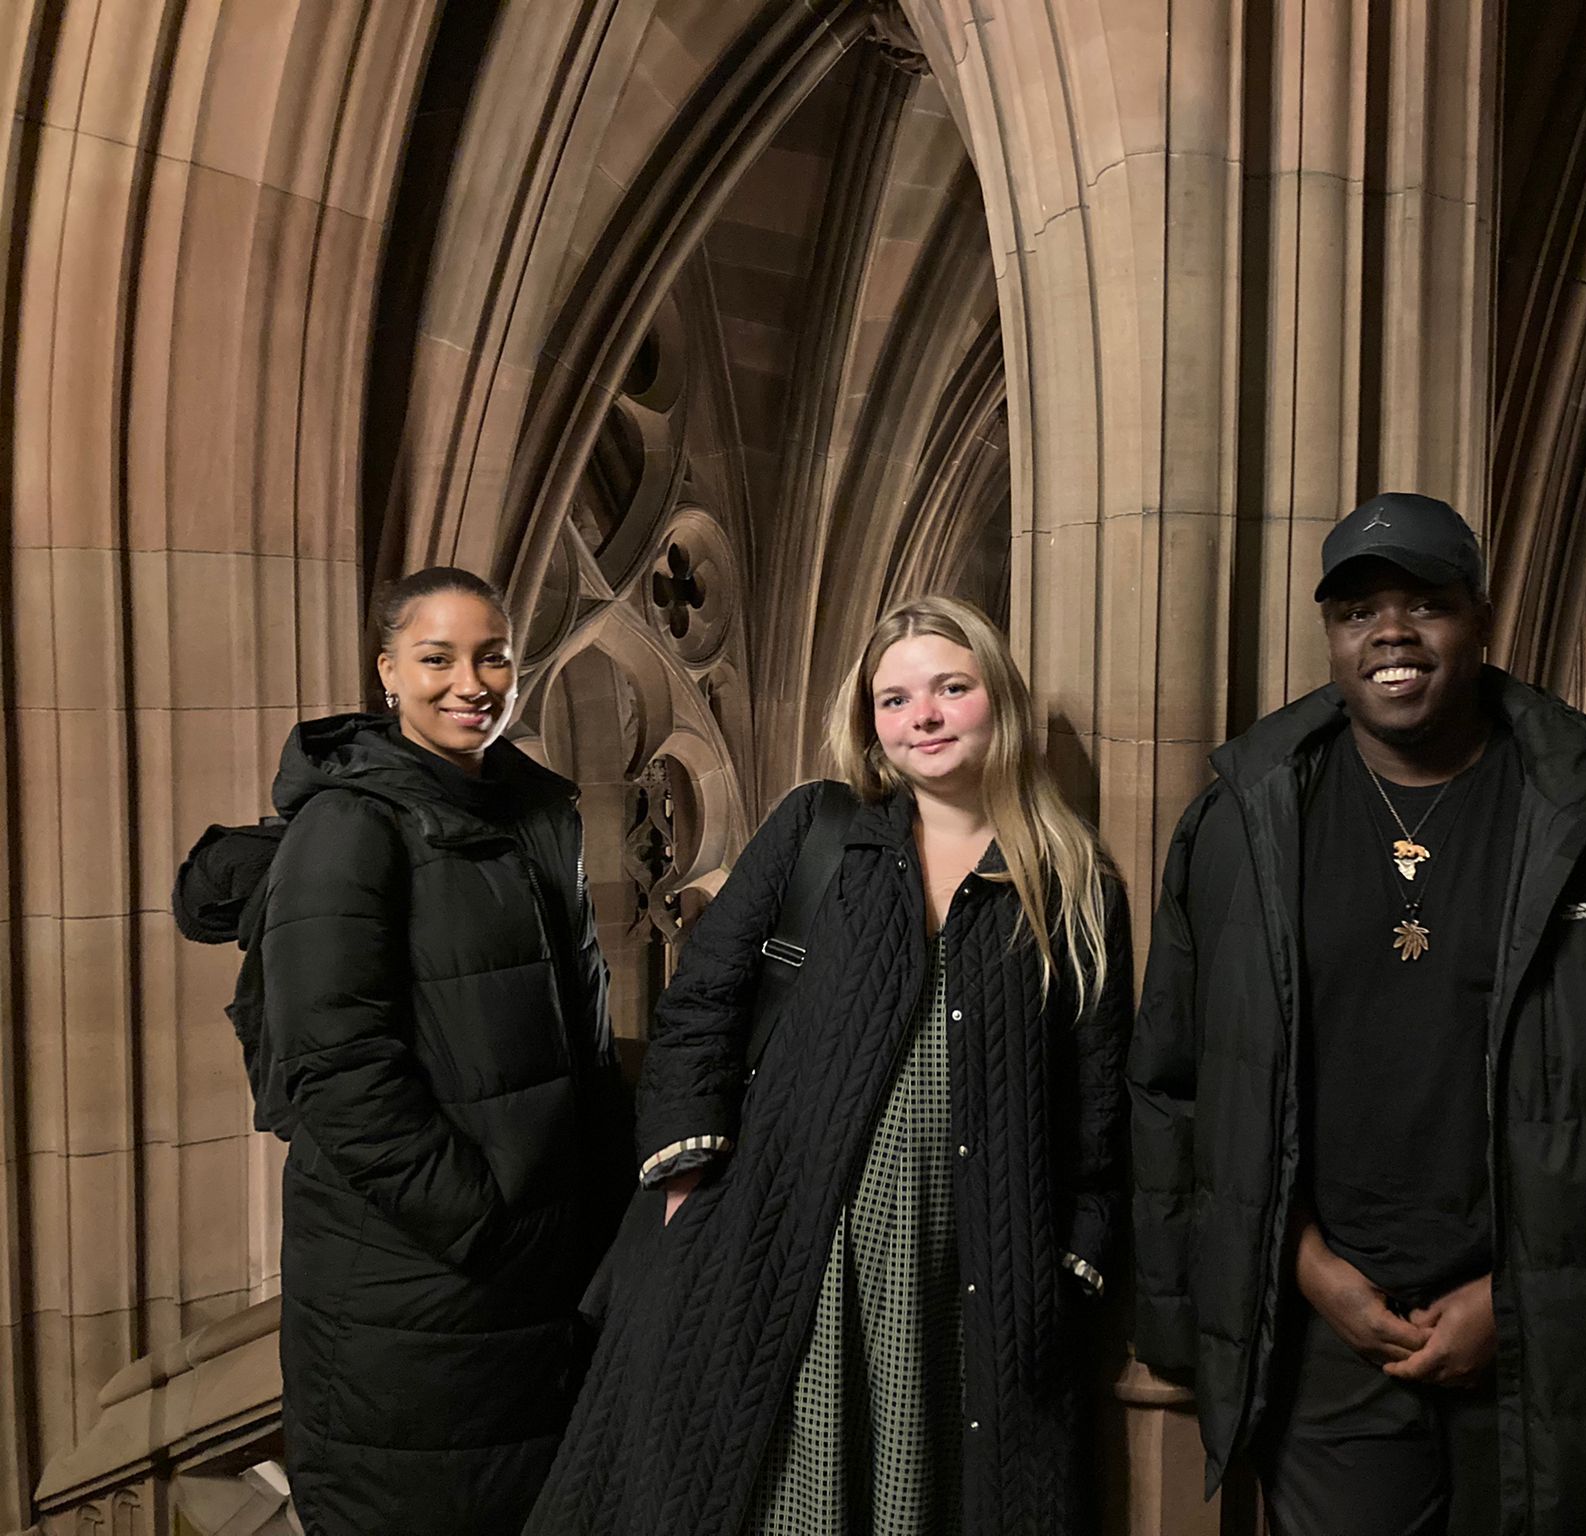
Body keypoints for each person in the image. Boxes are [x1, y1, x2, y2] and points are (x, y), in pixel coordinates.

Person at [1128, 494, 1586, 1536]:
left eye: (1423, 603)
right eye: (1357, 611)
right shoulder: (1238, 825)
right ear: (1331, 637)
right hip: (1328, 1353)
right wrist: (1293, 1266)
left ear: (1478, 617)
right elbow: (1176, 1082)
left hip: (1556, 1357)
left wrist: (1517, 1302)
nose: (1389, 632)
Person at [527, 594, 1133, 1536]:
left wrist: (1075, 1259)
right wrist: (691, 1180)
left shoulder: (1072, 881)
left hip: (965, 1261)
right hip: (791, 1236)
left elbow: (1096, 1098)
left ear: (997, 699)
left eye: (950, 688)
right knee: (749, 1489)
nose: (921, 716)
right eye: (894, 700)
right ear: (871, 724)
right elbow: (704, 1002)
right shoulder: (824, 831)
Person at [220, 566, 630, 1534]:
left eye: (492, 657)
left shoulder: (535, 810)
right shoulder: (348, 822)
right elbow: (333, 1064)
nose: (470, 683)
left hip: (536, 1271)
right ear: (387, 672)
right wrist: (480, 1222)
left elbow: (575, 1026)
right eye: (436, 657)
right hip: (420, 1276)